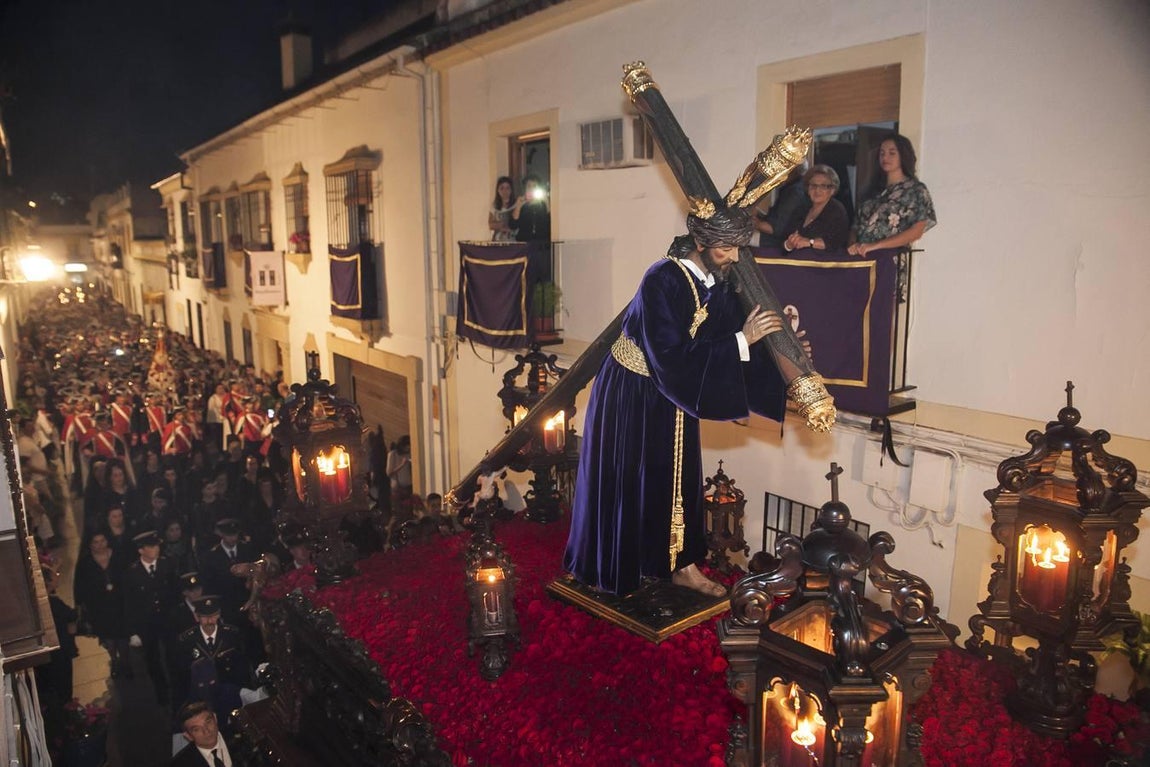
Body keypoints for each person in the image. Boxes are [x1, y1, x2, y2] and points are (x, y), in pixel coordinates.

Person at [562, 206, 788, 597]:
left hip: (675, 391)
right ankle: (615, 568)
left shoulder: (717, 281)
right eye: (726, 248)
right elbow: (668, 352)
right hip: (631, 393)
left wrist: (783, 357)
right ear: (701, 242)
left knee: (676, 477)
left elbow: (732, 334)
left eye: (738, 247)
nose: (734, 256)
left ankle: (683, 565)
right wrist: (741, 340)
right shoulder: (662, 278)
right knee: (630, 478)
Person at [847, 133, 937, 257]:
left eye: (892, 153)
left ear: (903, 156)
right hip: (861, 258)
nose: (885, 157)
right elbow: (855, 226)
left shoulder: (915, 190)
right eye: (882, 153)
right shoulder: (872, 190)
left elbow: (916, 231)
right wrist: (853, 244)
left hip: (890, 259)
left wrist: (876, 246)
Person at [123, 529, 178, 704]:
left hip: (168, 620)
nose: (156, 549)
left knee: (174, 655)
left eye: (157, 546)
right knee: (153, 660)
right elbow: (129, 604)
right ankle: (161, 694)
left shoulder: (167, 564)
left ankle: (177, 689)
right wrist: (133, 631)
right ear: (141, 550)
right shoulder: (132, 573)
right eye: (152, 546)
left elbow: (176, 593)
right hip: (147, 625)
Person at [74, 530, 128, 676]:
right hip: (99, 606)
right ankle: (114, 661)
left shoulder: (118, 556)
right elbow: (80, 585)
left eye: (102, 540)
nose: (100, 545)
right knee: (107, 635)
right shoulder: (86, 562)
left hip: (120, 603)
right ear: (90, 545)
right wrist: (81, 605)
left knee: (123, 634)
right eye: (95, 542)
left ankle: (124, 661)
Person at [781, 165, 850, 253]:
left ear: (832, 190)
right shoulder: (801, 209)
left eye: (823, 186)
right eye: (813, 185)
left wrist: (809, 242)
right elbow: (783, 239)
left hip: (824, 264)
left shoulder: (837, 210)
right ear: (808, 188)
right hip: (796, 262)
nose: (817, 190)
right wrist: (789, 245)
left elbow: (834, 244)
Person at [752, 164, 809, 249]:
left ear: (792, 170)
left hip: (778, 241)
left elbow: (774, 229)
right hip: (775, 236)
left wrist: (753, 222)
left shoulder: (794, 193)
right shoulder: (791, 188)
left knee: (736, 237)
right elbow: (775, 218)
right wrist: (757, 214)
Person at [171, 701, 245, 767]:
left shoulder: (243, 736)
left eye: (208, 722)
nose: (206, 731)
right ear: (188, 736)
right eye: (197, 729)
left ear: (215, 718)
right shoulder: (180, 764)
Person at [488, 176, 523, 242]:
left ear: (511, 190)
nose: (505, 191)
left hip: (513, 241)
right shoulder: (494, 206)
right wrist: (502, 225)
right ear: (498, 190)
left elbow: (517, 225)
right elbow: (491, 224)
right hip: (497, 241)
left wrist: (501, 225)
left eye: (507, 188)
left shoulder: (517, 205)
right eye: (502, 188)